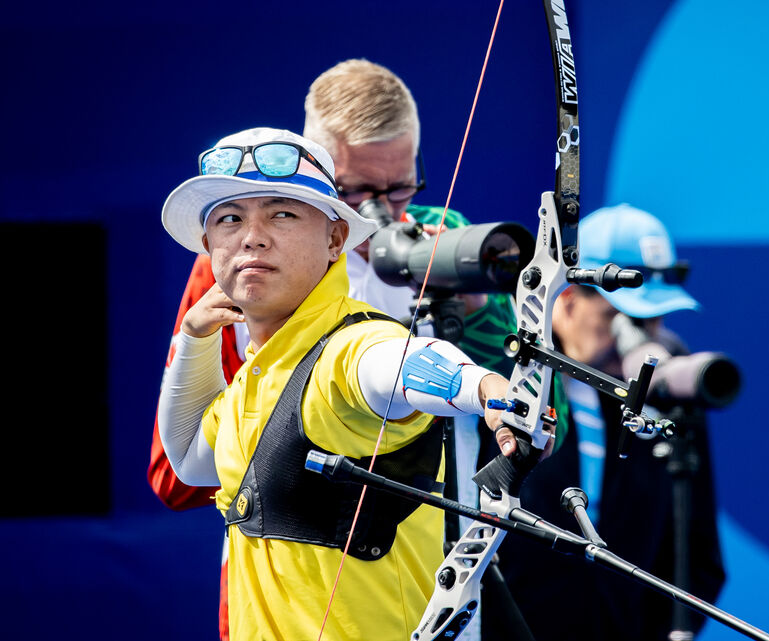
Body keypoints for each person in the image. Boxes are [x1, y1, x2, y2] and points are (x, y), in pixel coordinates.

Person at [146, 60, 516, 638]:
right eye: (357, 190)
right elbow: (182, 471)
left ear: (333, 231)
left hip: (436, 578)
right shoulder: (245, 271)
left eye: (399, 187)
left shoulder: (448, 241)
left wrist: (481, 352)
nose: (383, 211)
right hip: (273, 587)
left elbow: (394, 363)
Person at [491, 204, 726, 641]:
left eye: (652, 318)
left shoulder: (669, 385)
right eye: (622, 318)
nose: (640, 336)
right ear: (566, 301)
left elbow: (696, 552)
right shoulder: (501, 374)